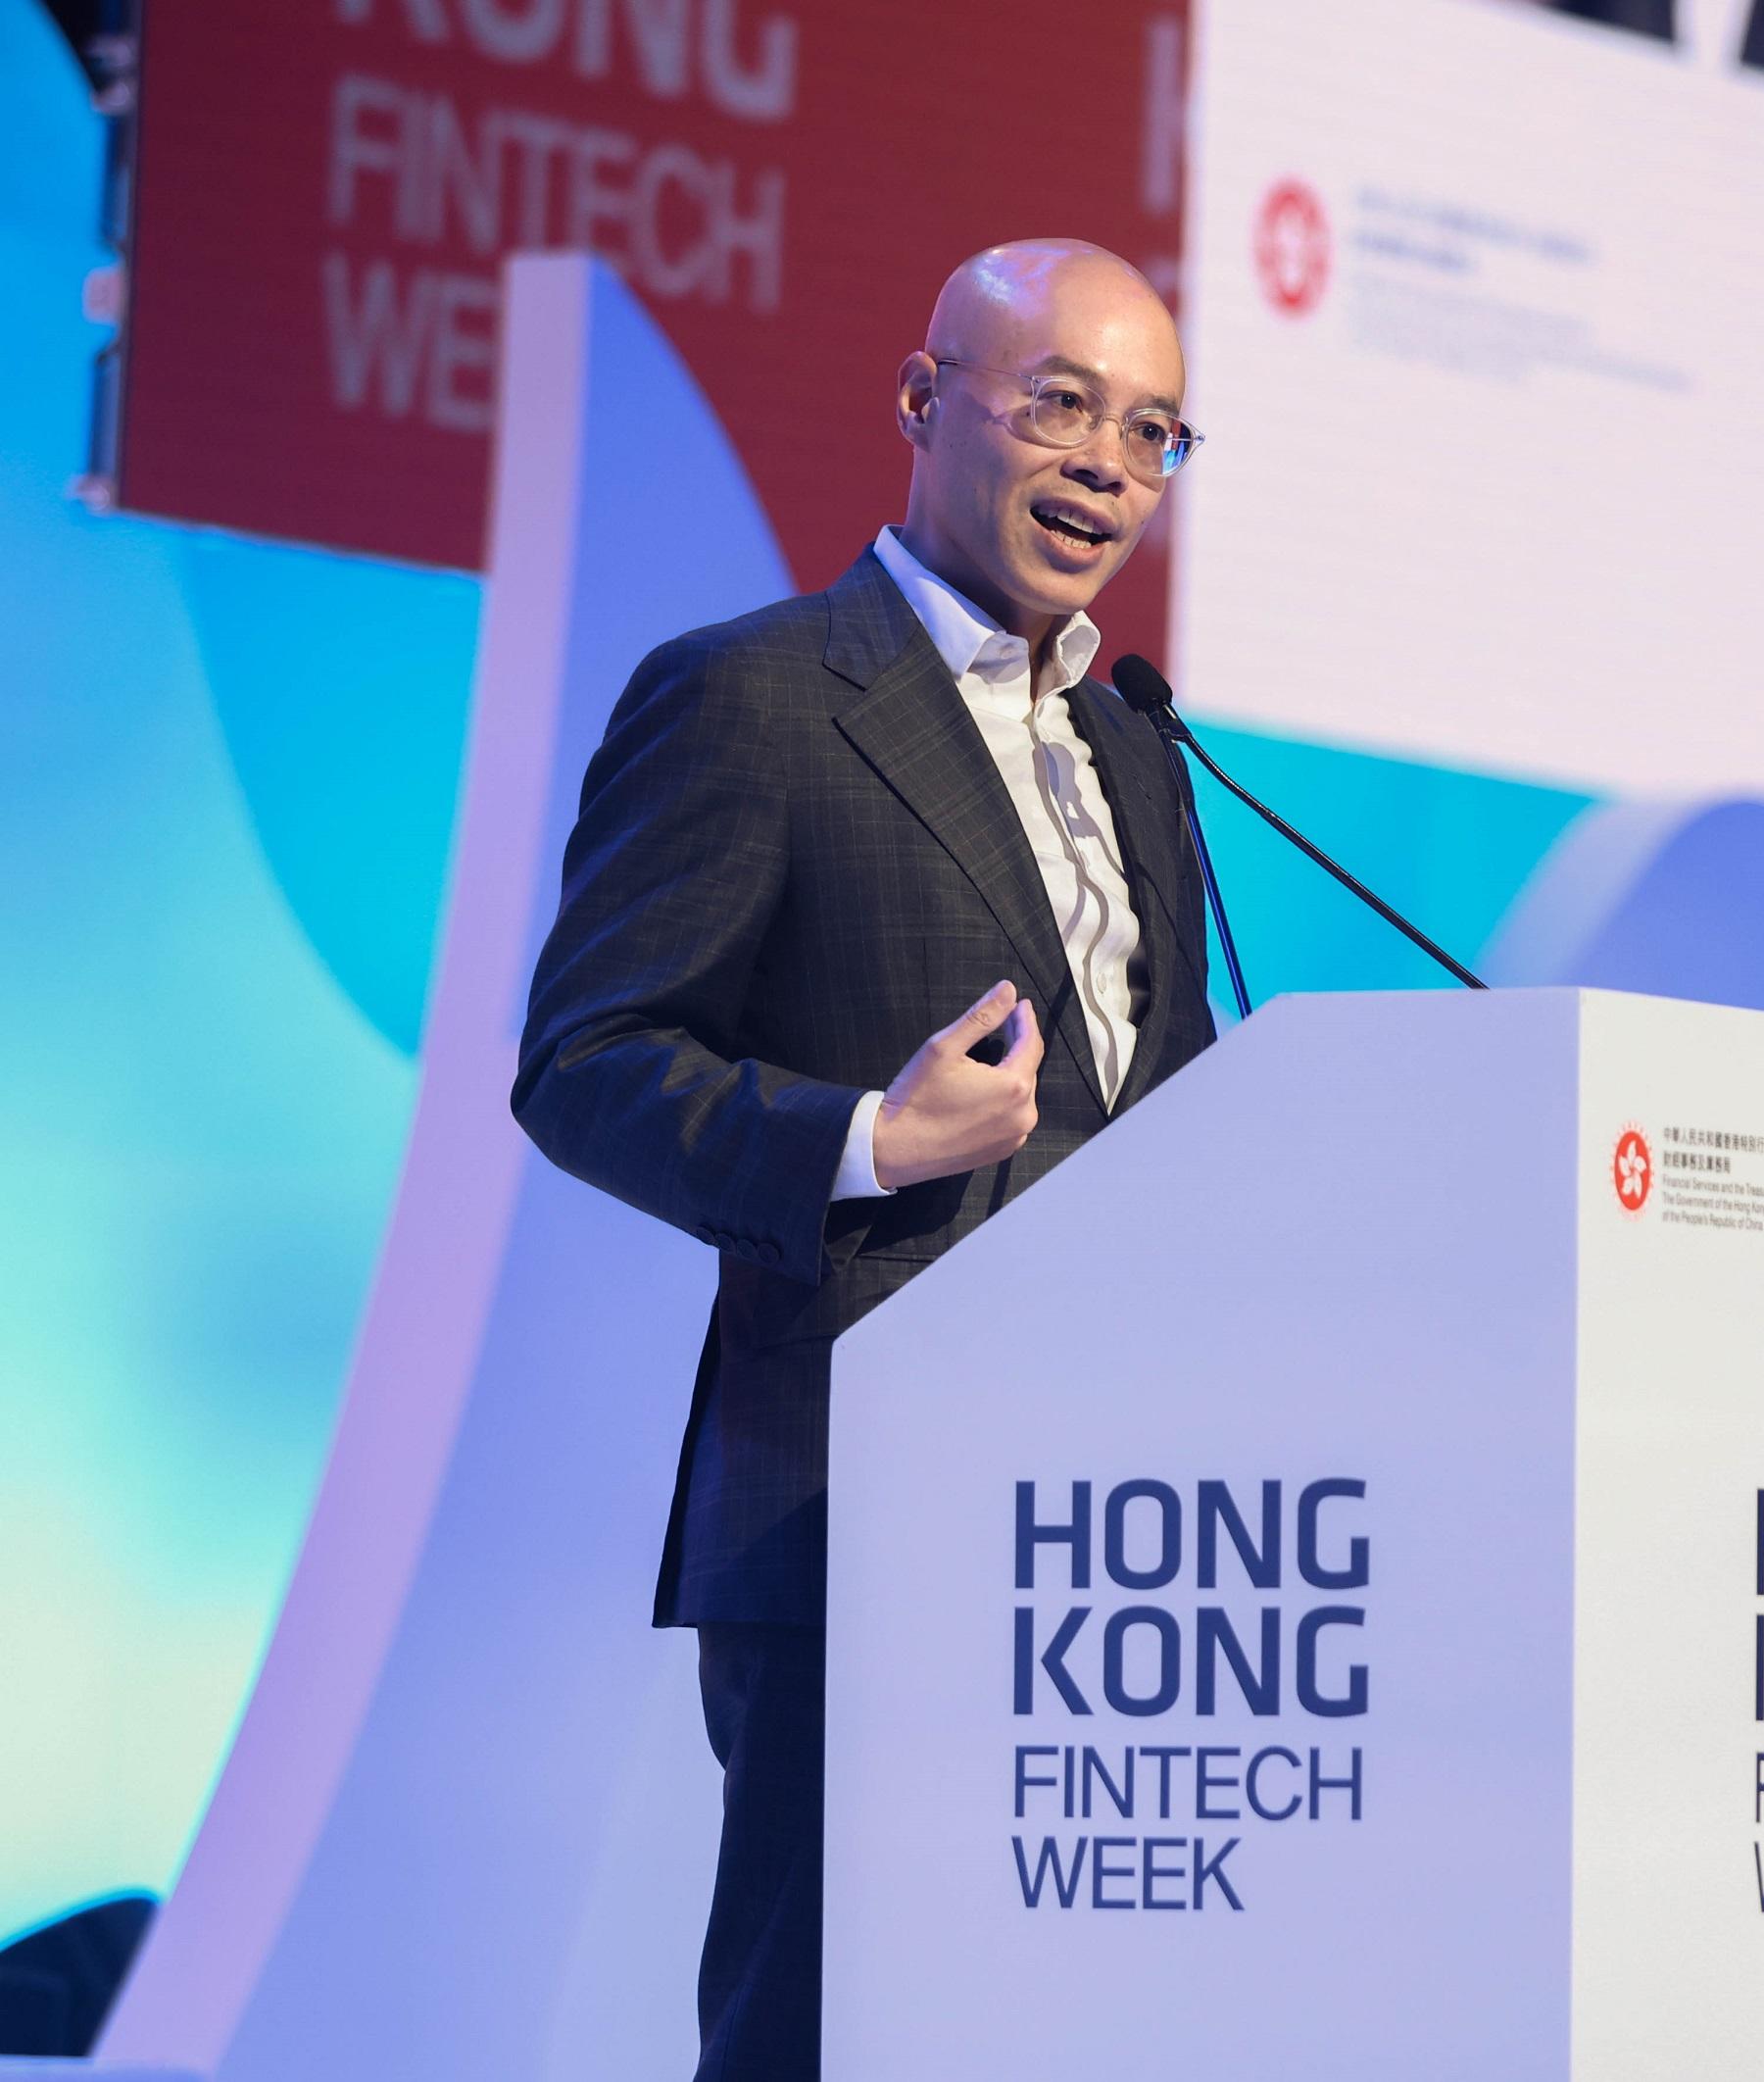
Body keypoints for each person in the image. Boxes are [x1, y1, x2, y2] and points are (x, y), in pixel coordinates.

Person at [511, 239, 1216, 2081]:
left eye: (1150, 434)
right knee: (820, 2034)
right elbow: (584, 1061)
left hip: (1120, 1548)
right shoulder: (750, 695)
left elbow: (1175, 1109)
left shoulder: (1134, 747)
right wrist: (858, 1139)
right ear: (924, 402)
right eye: (1057, 404)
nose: (1103, 469)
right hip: (856, 1504)